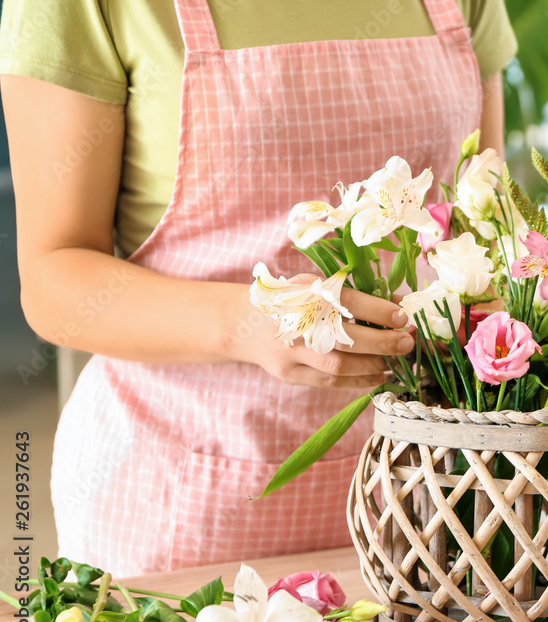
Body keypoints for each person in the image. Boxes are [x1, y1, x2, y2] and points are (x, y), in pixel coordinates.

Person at [0, 0, 516, 576]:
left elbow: (481, 215)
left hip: (437, 492)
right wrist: (252, 322)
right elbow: (53, 277)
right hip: (186, 504)